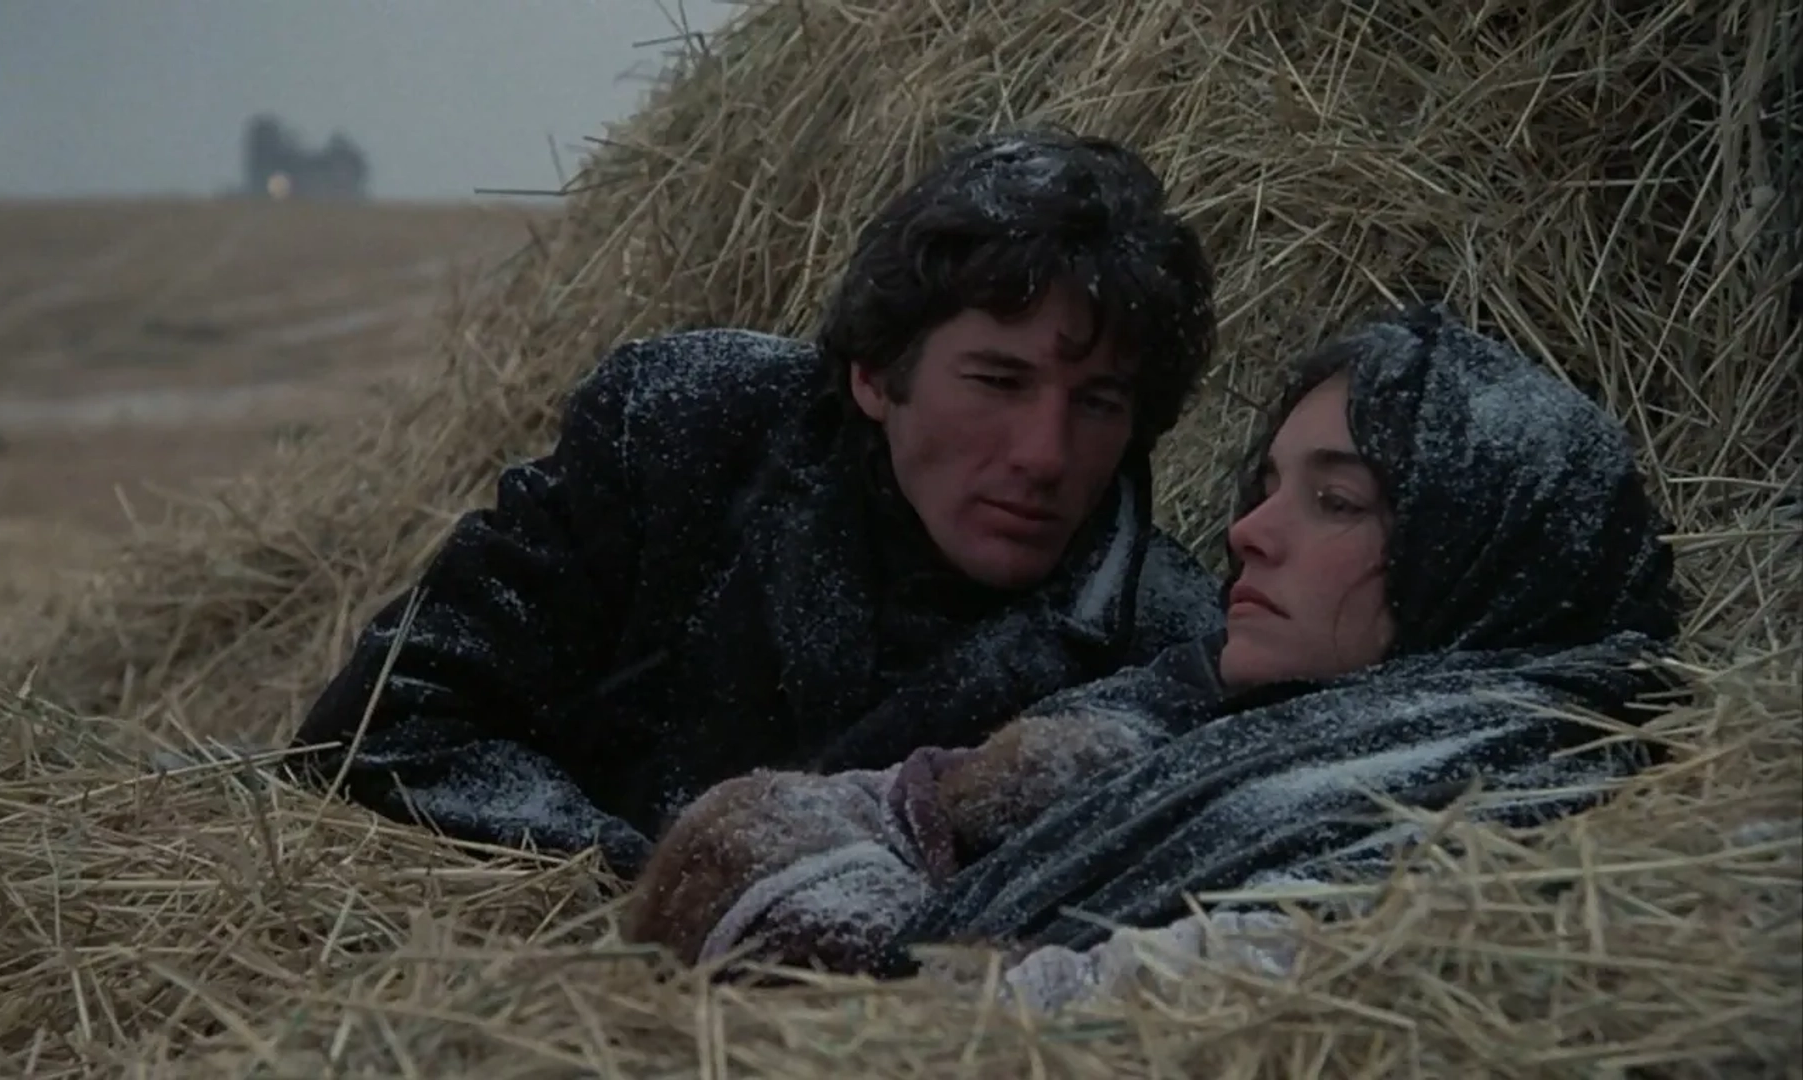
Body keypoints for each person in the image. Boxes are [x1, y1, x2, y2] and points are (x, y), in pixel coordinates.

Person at [620, 302, 1685, 990]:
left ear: (1479, 554)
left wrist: (884, 968)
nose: (1248, 531)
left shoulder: (1487, 812)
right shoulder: (1185, 710)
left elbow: (1108, 1012)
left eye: (1336, 500)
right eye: (1266, 487)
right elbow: (818, 820)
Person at [284, 128, 1225, 878]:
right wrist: (650, 891)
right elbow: (382, 729)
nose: (1044, 455)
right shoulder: (680, 436)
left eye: (1098, 403)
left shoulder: (1171, 644)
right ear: (874, 373)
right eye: (997, 380)